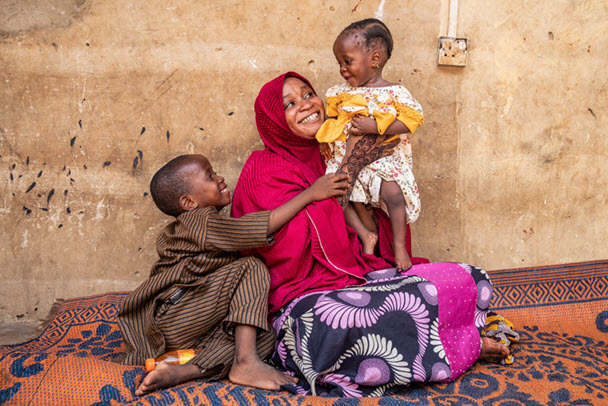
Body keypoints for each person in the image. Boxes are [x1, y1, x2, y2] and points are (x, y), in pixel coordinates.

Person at [231, 72, 511, 397]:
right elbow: (265, 243)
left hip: (356, 276)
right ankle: (461, 346)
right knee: (345, 319)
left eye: (308, 94)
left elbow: (369, 214)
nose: (305, 105)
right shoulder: (263, 168)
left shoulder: (327, 154)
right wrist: (317, 193)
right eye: (289, 104)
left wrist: (354, 174)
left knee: (462, 277)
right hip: (302, 299)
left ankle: (449, 345)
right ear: (274, 120)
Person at [117, 153, 349, 395]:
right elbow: (257, 227)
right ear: (189, 203)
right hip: (176, 315)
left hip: (191, 330)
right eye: (209, 176)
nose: (220, 178)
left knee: (263, 335)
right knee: (250, 266)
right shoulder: (199, 221)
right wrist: (311, 193)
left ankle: (183, 370)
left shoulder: (203, 226)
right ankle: (246, 363)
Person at [317, 18, 424, 271]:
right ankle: (366, 235)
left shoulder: (395, 93)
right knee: (336, 195)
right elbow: (333, 119)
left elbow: (412, 120)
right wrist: (325, 139)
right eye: (339, 63)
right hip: (347, 157)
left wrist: (375, 127)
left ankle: (399, 247)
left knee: (393, 194)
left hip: (384, 157)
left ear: (374, 59)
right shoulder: (339, 93)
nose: (342, 69)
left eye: (347, 61)